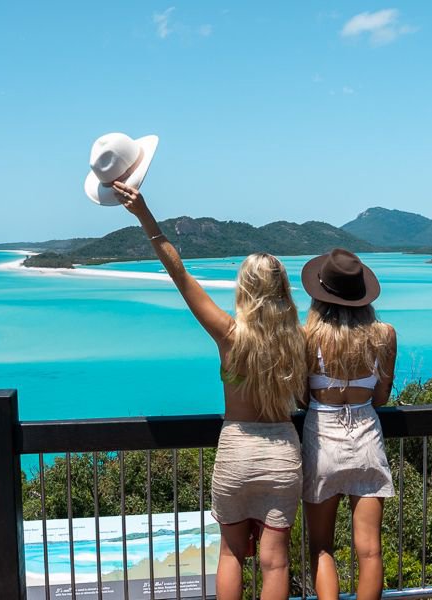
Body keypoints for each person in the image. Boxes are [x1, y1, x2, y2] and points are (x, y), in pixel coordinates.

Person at [113, 180, 307, 600]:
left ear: (246, 289)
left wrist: (145, 215)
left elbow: (179, 274)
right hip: (282, 453)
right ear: (282, 290)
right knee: (276, 560)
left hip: (236, 449)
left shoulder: (230, 334)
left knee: (232, 555)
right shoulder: (299, 339)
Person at [299, 248, 397, 600]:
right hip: (367, 439)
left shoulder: (306, 336)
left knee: (322, 547)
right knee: (370, 550)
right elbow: (381, 397)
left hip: (322, 440)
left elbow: (300, 397)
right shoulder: (384, 335)